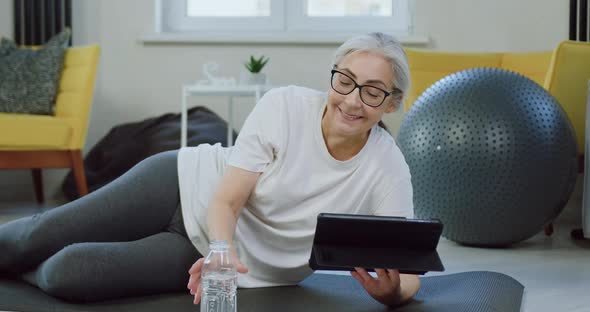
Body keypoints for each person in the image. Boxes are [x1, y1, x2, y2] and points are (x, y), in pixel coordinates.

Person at [0, 32, 418, 306]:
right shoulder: (286, 106)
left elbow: (412, 271)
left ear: (391, 102)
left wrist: (393, 293)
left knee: (65, 274)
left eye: (372, 91)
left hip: (205, 253)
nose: (351, 99)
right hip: (179, 186)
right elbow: (228, 198)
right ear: (332, 78)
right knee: (36, 236)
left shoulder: (388, 166)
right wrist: (223, 248)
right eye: (344, 80)